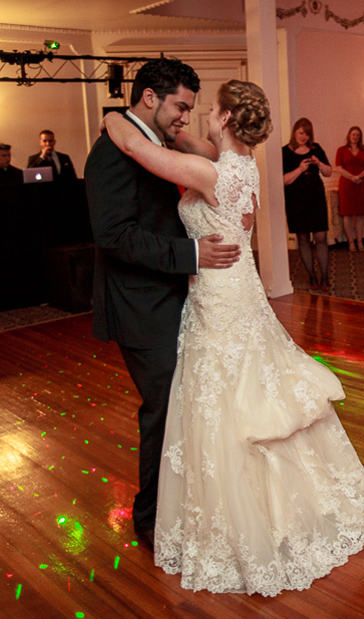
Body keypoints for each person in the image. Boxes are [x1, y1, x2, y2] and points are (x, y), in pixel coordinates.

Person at [102, 79, 364, 595]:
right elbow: (187, 144)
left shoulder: (208, 172)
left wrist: (116, 115)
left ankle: (248, 517)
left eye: (209, 110)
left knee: (225, 396)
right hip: (236, 285)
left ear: (222, 118)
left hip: (218, 294)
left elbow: (135, 146)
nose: (200, 117)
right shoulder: (243, 166)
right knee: (250, 385)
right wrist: (169, 124)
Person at [84, 58, 241, 551]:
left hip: (173, 295)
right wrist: (191, 253)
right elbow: (112, 235)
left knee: (182, 405)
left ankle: (180, 503)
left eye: (192, 110)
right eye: (179, 106)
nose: (184, 118)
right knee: (163, 408)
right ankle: (151, 519)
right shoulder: (112, 151)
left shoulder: (151, 140)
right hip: (139, 304)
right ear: (149, 97)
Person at [282, 118, 332, 291]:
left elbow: (328, 172)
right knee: (303, 238)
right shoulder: (285, 152)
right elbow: (284, 180)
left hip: (315, 196)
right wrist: (300, 169)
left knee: (321, 237)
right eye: (301, 132)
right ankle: (311, 276)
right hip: (296, 199)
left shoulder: (316, 149)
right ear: (295, 132)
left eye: (307, 133)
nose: (304, 137)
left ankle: (324, 277)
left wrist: (319, 163)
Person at [334, 126, 364, 252]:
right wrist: (352, 177)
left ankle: (360, 241)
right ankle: (351, 242)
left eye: (357, 135)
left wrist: (358, 177)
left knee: (360, 214)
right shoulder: (341, 150)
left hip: (361, 184)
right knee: (347, 215)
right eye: (353, 134)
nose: (355, 137)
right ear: (349, 135)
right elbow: (338, 167)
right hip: (346, 185)